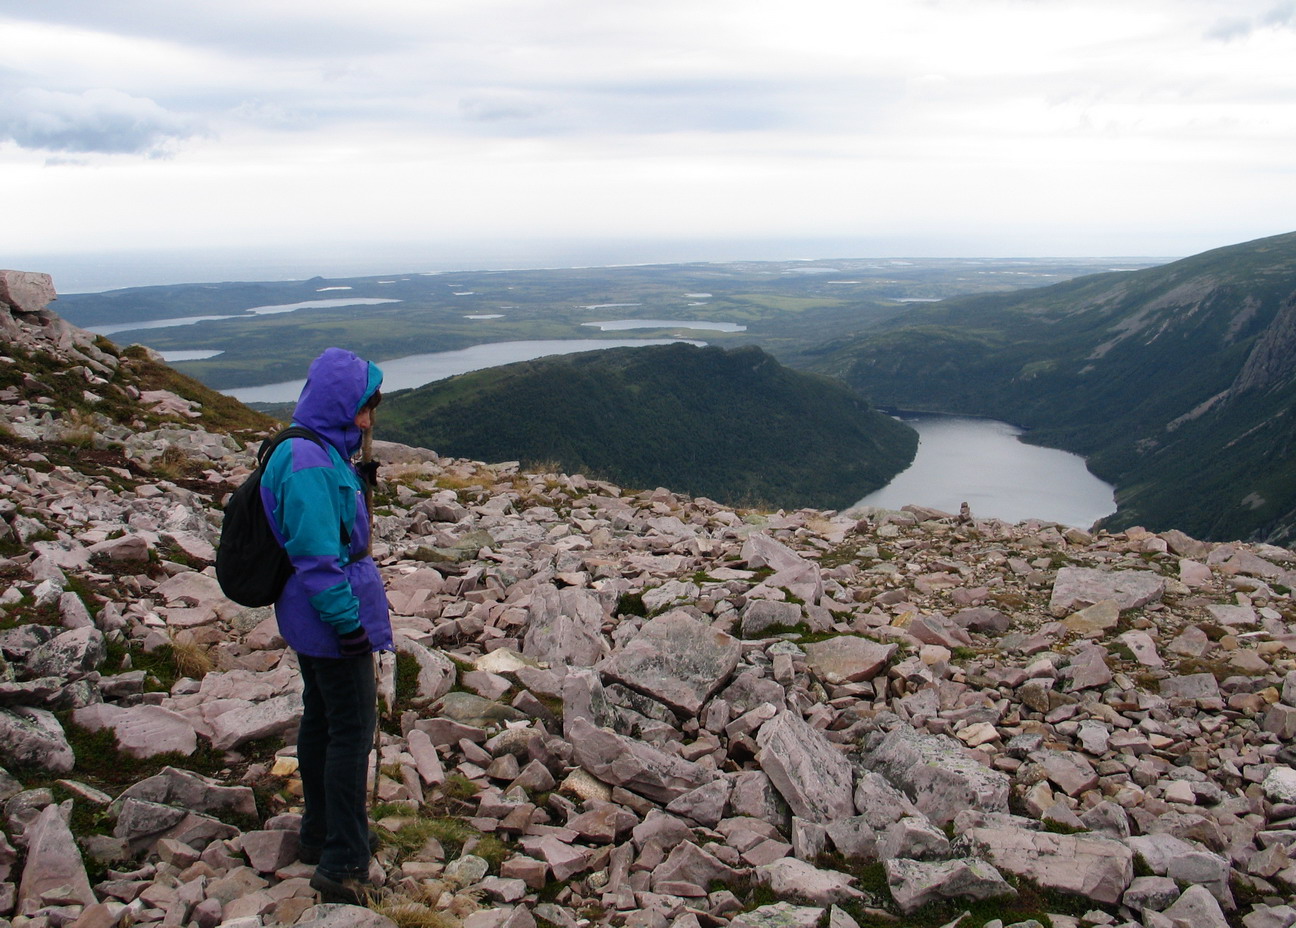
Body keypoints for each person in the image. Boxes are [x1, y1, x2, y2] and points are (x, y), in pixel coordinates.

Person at [259, 347, 392, 904]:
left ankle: (318, 833)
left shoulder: (314, 451)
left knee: (322, 721)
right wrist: (348, 626)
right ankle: (343, 860)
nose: (366, 420)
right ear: (339, 404)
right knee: (352, 733)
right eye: (362, 409)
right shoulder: (309, 464)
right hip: (329, 618)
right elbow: (317, 556)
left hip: (308, 617)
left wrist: (357, 477)